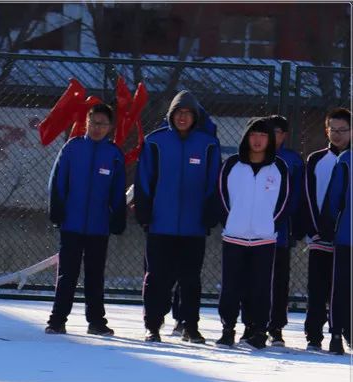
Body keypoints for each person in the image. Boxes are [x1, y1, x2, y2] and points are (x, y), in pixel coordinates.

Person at [134, 90, 221, 344]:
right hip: (161, 223)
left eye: (188, 113)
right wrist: (145, 210)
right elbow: (144, 180)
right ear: (171, 115)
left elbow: (214, 181)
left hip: (193, 227)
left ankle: (190, 325)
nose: (183, 117)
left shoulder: (208, 144)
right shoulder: (155, 142)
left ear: (195, 117)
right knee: (156, 277)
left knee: (191, 279)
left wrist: (209, 211)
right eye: (178, 113)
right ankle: (153, 325)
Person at [45, 103, 126, 335]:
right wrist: (57, 209)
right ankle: (57, 320)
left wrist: (118, 215)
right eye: (93, 123)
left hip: (99, 227)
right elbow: (58, 181)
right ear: (86, 123)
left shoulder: (113, 155)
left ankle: (96, 321)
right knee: (67, 274)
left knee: (95, 276)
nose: (97, 128)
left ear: (110, 127)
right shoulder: (72, 148)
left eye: (102, 124)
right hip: (71, 223)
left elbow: (117, 190)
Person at [213, 117, 290, 349]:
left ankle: (258, 330)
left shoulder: (279, 168)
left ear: (270, 139)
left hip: (264, 238)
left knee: (260, 287)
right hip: (234, 236)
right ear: (247, 137)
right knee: (231, 286)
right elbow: (222, 195)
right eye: (253, 135)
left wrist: (269, 225)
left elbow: (284, 201)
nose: (257, 140)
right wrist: (231, 220)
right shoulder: (232, 165)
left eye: (263, 135)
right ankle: (228, 329)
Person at [300, 108, 351, 351]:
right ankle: (314, 334)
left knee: (343, 289)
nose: (338, 135)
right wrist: (316, 228)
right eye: (334, 130)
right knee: (317, 287)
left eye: (343, 130)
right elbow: (308, 196)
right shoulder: (316, 159)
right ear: (326, 130)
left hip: (345, 238)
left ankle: (344, 331)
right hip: (320, 236)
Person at [319, 149, 351, 355]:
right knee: (341, 288)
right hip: (348, 236)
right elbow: (334, 198)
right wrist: (328, 225)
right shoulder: (346, 160)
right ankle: (337, 334)